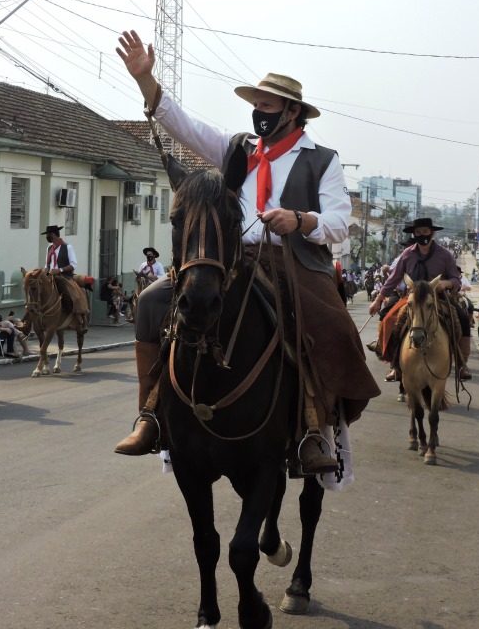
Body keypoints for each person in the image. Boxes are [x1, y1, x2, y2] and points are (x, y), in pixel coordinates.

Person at [113, 29, 380, 475]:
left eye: (268, 106)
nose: (258, 112)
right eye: (255, 105)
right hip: (231, 257)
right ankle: (151, 414)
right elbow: (181, 123)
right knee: (151, 301)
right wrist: (146, 80)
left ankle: (314, 428)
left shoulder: (322, 160)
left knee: (327, 325)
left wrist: (300, 220)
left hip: (293, 260)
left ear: (293, 112)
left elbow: (339, 223)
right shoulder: (238, 148)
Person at [367, 218, 472, 382]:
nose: (422, 235)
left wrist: (446, 283)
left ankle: (462, 364)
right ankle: (394, 365)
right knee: (388, 318)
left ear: (432, 233)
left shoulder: (445, 255)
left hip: (438, 298)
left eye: (425, 231)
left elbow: (456, 279)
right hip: (411, 297)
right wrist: (378, 300)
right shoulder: (407, 254)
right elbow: (393, 279)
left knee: (463, 318)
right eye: (418, 232)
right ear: (414, 234)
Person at [43, 225, 88, 316]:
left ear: (54, 234)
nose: (47, 236)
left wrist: (59, 270)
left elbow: (73, 264)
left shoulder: (67, 247)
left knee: (74, 296)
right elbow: (47, 264)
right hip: (50, 275)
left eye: (48, 234)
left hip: (64, 276)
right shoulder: (49, 248)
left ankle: (77, 315)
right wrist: (43, 273)